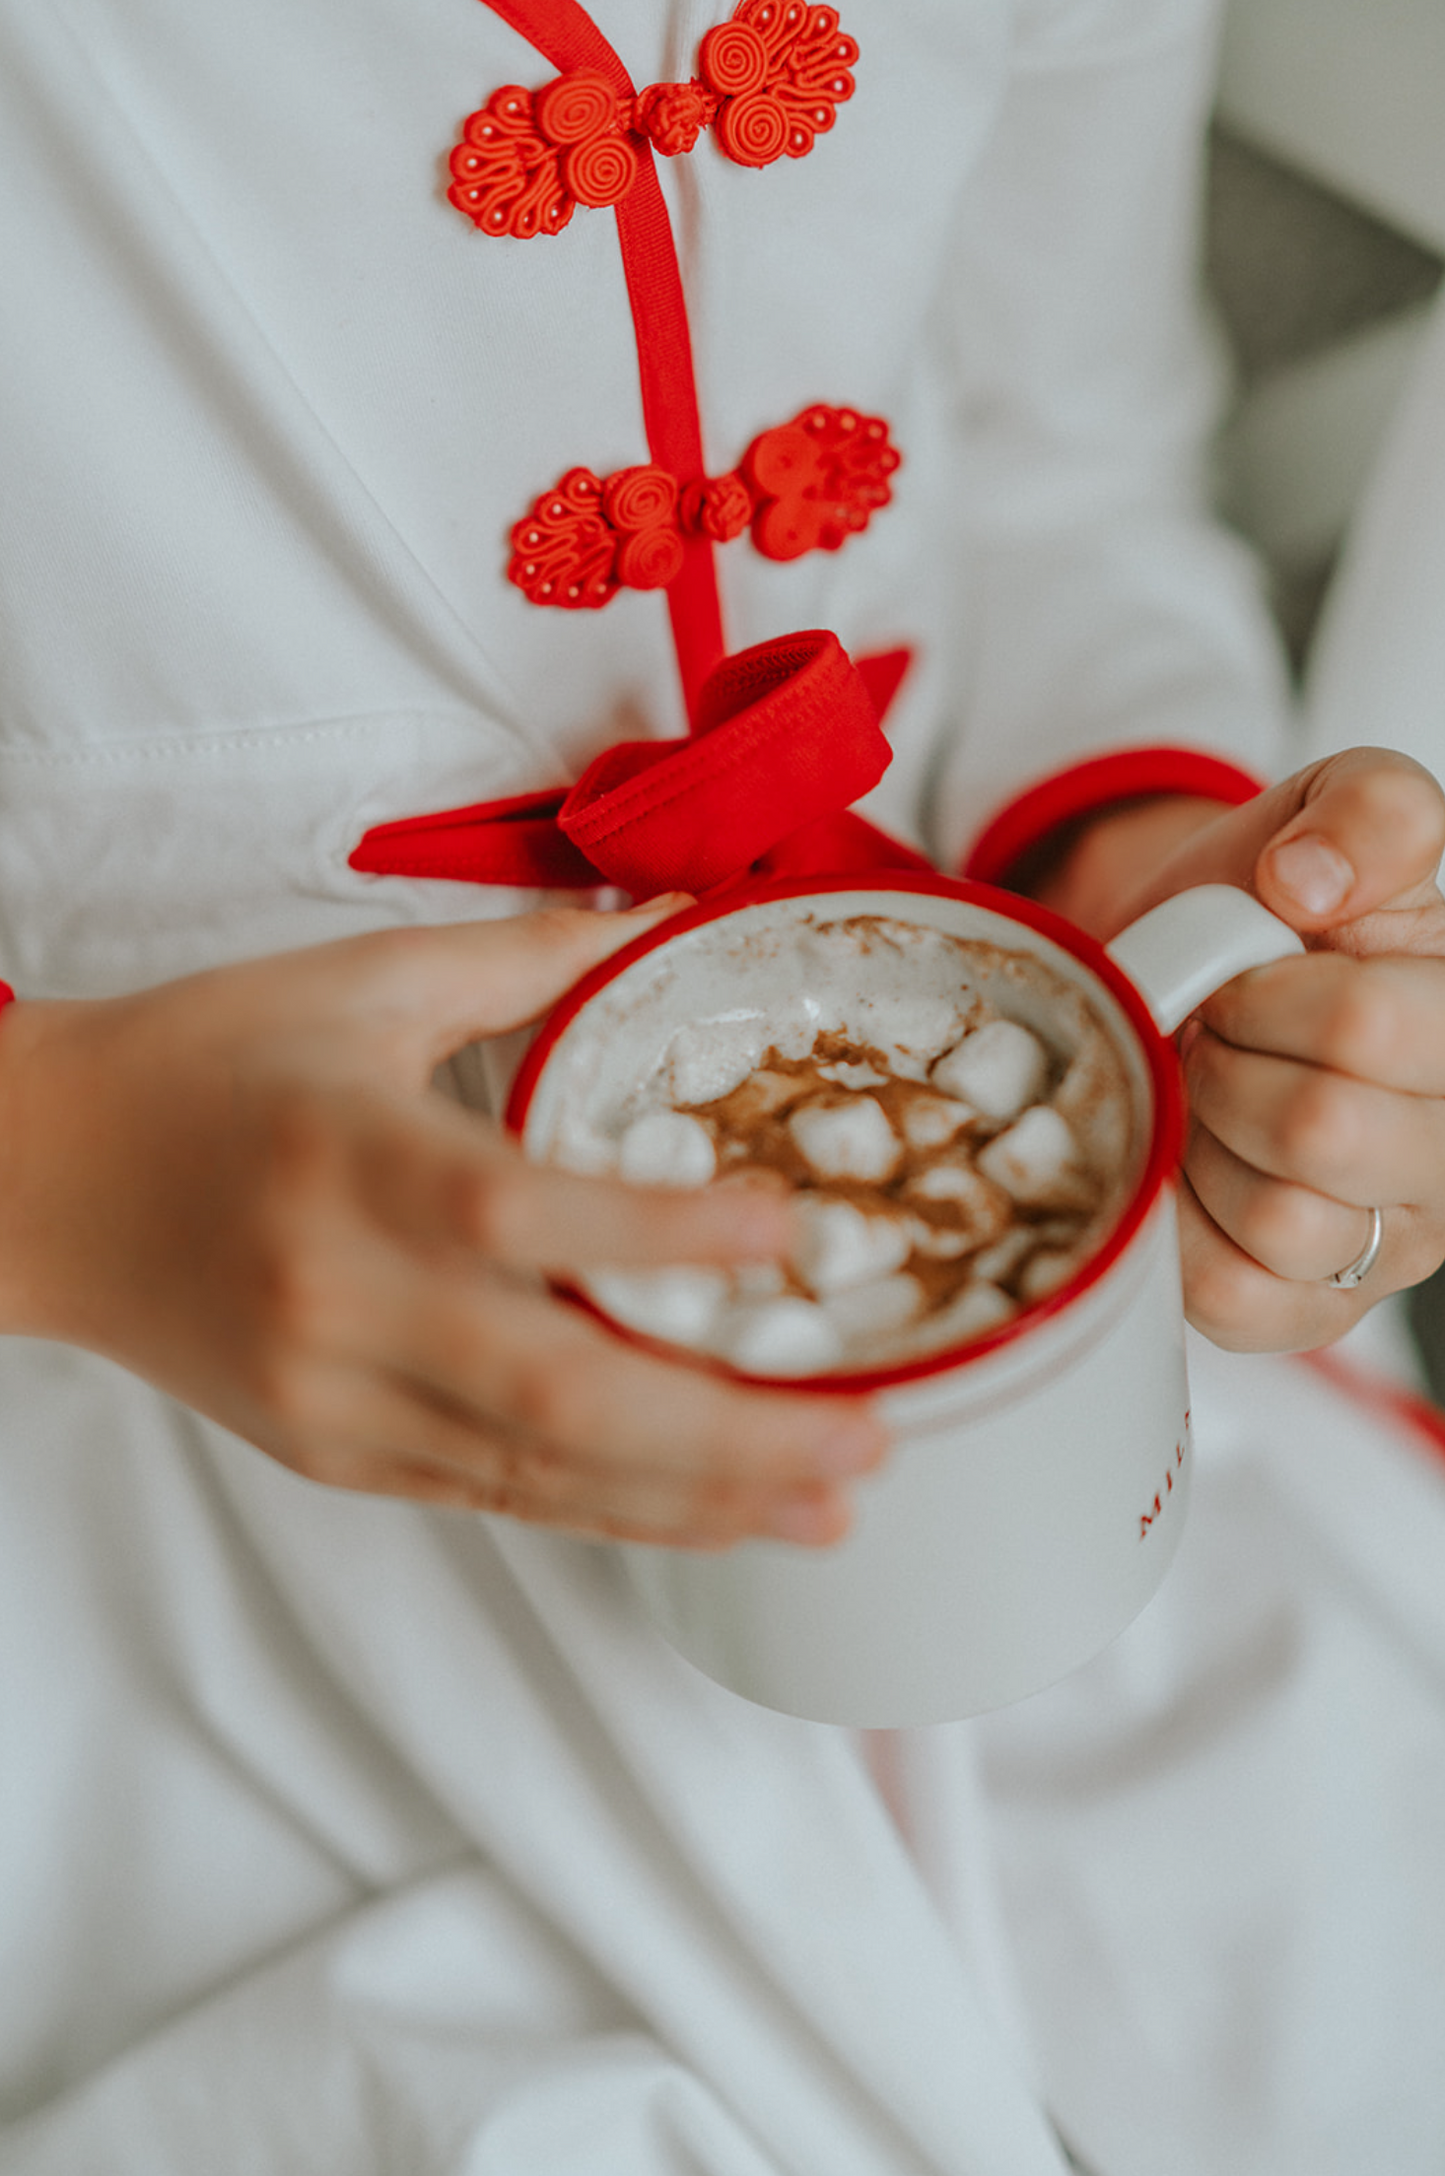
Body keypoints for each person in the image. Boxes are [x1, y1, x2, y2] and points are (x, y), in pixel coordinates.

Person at [4, 1, 1445, 2169]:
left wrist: (1153, 883)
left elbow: (1060, 462)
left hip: (998, 1272)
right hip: (120, 1422)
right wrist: (66, 1175)